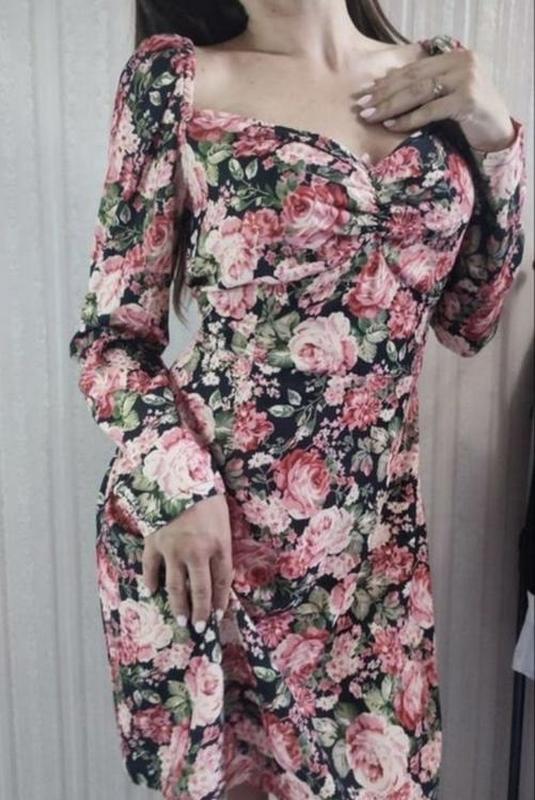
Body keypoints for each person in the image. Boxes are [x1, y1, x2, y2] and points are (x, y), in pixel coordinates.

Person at [68, 1, 527, 798]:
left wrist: (495, 137)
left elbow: (470, 319)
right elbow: (112, 338)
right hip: (211, 534)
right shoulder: (177, 80)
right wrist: (182, 488)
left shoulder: (434, 75)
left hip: (373, 552)